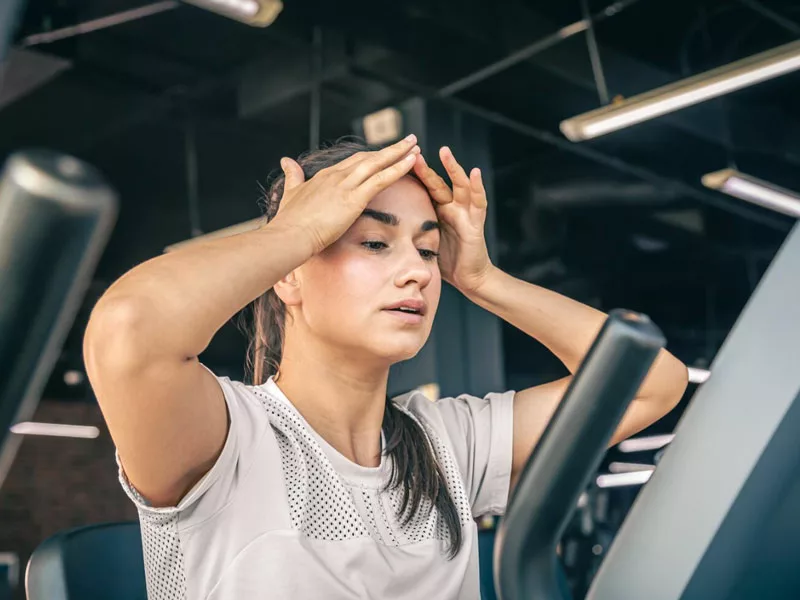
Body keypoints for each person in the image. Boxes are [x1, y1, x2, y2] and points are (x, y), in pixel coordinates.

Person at [83, 135, 688, 599]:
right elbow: (129, 331)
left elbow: (650, 382)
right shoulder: (228, 438)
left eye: (427, 250)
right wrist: (294, 233)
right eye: (374, 243)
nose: (418, 271)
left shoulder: (449, 443)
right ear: (289, 273)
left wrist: (483, 278)